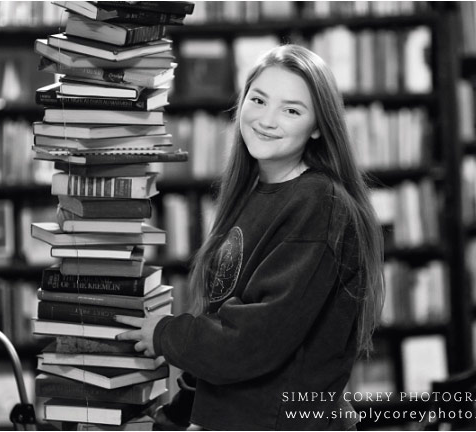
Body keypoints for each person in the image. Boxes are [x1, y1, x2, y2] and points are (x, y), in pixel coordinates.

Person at [117, 44, 385, 430]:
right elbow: (223, 323)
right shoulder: (253, 193)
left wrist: (164, 333)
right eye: (258, 100)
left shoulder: (319, 204)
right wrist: (171, 419)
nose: (266, 120)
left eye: (291, 110)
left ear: (318, 128)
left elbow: (251, 342)